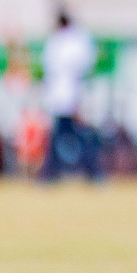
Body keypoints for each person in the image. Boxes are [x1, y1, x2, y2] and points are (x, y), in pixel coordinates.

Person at [39, 11, 101, 182]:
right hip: (67, 97)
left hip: (67, 98)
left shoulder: (64, 42)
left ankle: (90, 172)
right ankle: (90, 173)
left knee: (72, 136)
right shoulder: (75, 40)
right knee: (70, 136)